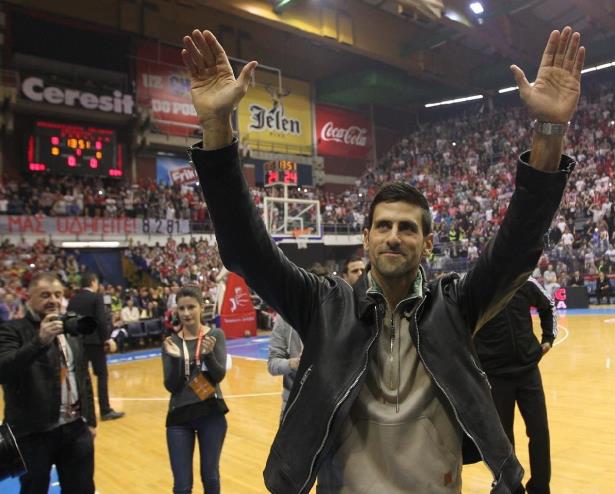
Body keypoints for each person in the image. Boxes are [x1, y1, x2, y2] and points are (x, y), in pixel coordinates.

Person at [183, 25, 584, 493]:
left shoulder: (455, 307)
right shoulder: (323, 305)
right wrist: (216, 125)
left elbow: (518, 247)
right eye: (384, 226)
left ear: (428, 243)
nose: (394, 237)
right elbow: (245, 249)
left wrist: (550, 131)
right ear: (366, 238)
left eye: (408, 228)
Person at [0, 272, 97, 493]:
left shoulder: (71, 329)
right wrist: (39, 341)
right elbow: (3, 371)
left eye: (57, 295)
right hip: (32, 434)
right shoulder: (11, 330)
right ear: (29, 297)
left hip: (75, 428)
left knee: (82, 489)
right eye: (45, 295)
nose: (53, 300)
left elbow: (83, 377)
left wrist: (90, 421)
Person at [474, 277, 557, 494]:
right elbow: (461, 326)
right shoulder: (477, 285)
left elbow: (548, 306)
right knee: (503, 440)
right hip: (496, 377)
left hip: (528, 372)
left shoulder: (524, 281)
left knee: (539, 432)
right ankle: (511, 487)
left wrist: (548, 337)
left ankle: (540, 487)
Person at [162, 285, 229, 494]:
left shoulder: (215, 335)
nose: (186, 313)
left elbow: (218, 376)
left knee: (210, 477)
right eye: (181, 308)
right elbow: (171, 386)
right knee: (182, 486)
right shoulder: (171, 343)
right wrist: (176, 360)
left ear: (201, 307)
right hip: (179, 417)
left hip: (211, 413)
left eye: (191, 307)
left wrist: (208, 355)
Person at [267, 264, 328, 420]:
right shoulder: (284, 320)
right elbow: (272, 365)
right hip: (293, 405)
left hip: (328, 405)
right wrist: (293, 363)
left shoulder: (337, 318)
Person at [67, 272, 124, 421]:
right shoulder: (96, 297)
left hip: (77, 343)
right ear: (93, 282)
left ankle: (84, 413)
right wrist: (107, 339)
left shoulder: (73, 300)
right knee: (102, 375)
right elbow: (101, 320)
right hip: (95, 342)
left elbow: (69, 322)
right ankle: (105, 410)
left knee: (82, 378)